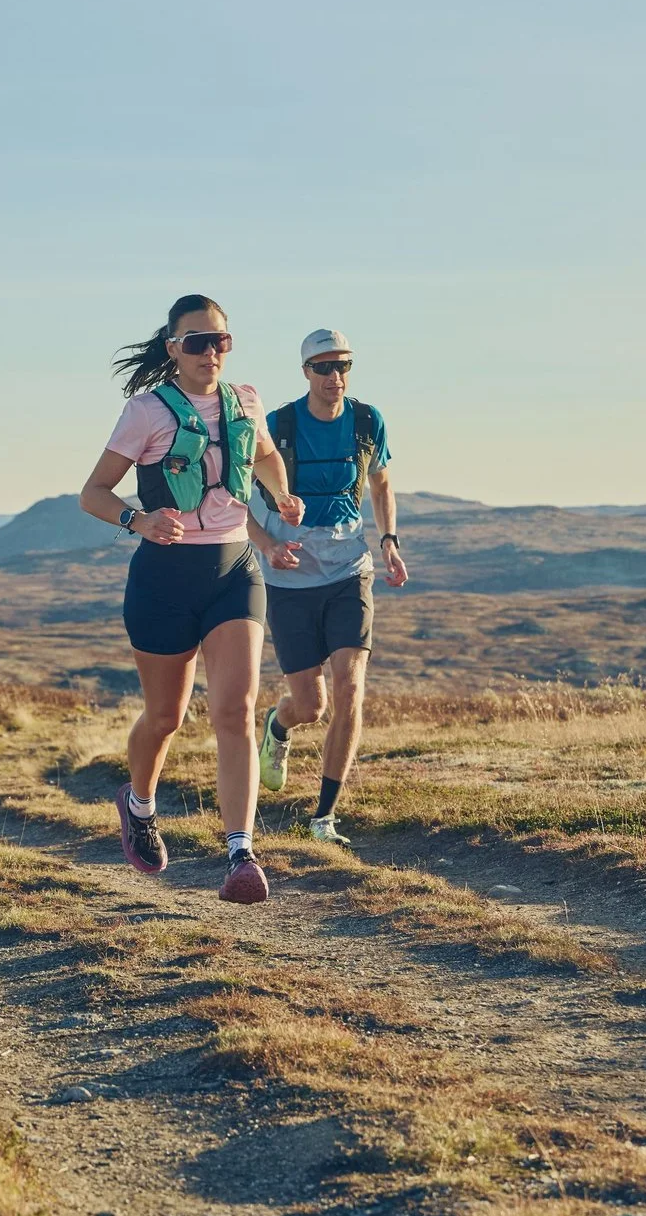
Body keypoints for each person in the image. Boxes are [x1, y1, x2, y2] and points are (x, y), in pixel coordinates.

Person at [78, 296, 305, 904]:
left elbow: (265, 456)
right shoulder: (145, 412)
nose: (212, 353)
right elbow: (93, 493)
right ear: (173, 347)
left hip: (233, 568)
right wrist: (137, 520)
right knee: (166, 718)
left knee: (235, 707)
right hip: (163, 578)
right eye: (199, 342)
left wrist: (280, 495)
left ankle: (241, 853)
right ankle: (140, 804)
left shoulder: (246, 402)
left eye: (221, 342)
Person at [249, 330, 406, 844]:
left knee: (351, 686)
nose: (334, 376)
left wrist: (388, 540)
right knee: (311, 706)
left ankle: (324, 817)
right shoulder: (280, 427)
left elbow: (381, 484)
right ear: (305, 373)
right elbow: (235, 496)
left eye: (342, 365)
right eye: (323, 367)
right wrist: (267, 546)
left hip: (348, 569)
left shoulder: (367, 422)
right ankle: (278, 723)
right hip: (290, 574)